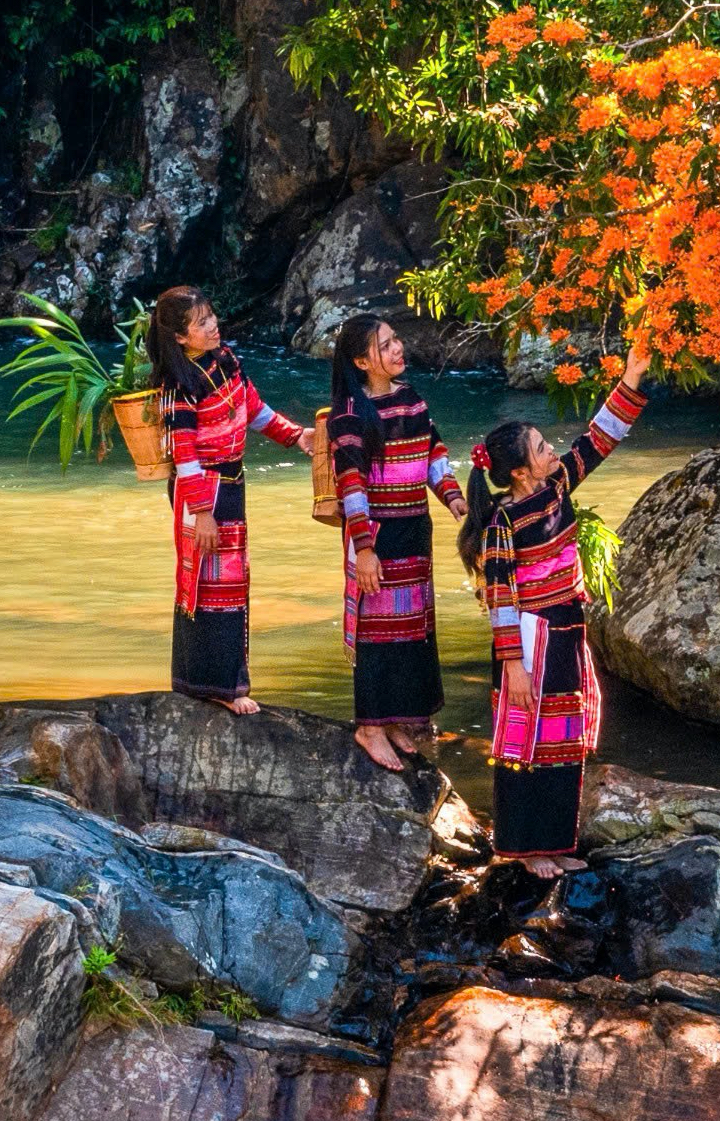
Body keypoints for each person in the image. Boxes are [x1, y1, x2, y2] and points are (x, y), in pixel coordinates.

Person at [457, 348, 651, 878]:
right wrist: (513, 664)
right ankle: (522, 847)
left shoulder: (557, 485)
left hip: (567, 625)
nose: (553, 453)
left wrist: (631, 377)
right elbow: (499, 597)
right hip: (529, 637)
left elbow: (599, 439)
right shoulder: (501, 522)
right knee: (526, 742)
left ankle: (556, 840)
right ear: (518, 472)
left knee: (563, 737)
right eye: (542, 450)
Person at [147, 285, 313, 714]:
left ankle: (217, 682)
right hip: (201, 491)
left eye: (211, 316)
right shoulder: (177, 385)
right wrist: (202, 513)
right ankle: (216, 687)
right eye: (201, 322)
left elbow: (253, 409)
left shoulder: (227, 362)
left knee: (232, 585)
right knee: (207, 587)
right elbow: (183, 453)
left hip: (231, 485)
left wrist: (296, 436)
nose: (213, 325)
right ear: (180, 337)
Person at [328, 312, 468, 773]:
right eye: (385, 345)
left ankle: (393, 721)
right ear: (360, 361)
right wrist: (364, 548)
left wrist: (456, 503)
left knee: (408, 629)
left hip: (414, 530)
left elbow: (434, 455)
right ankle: (369, 725)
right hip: (377, 535)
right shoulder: (351, 416)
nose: (396, 349)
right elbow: (352, 486)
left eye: (395, 340)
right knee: (376, 631)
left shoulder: (410, 400)